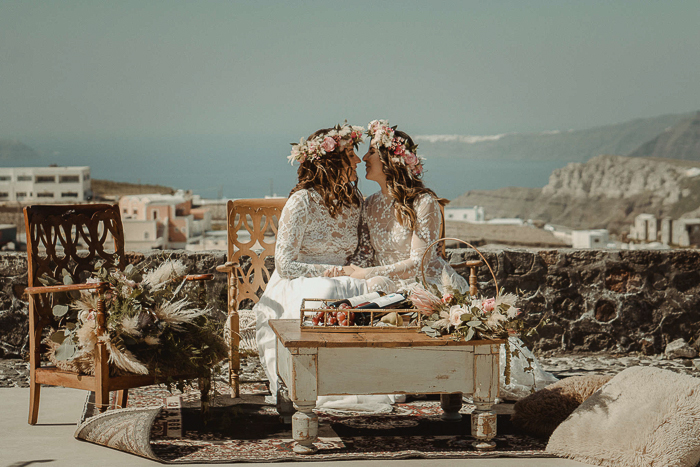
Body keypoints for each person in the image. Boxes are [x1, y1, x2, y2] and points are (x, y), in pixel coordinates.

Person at [342, 119, 556, 399]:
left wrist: (369, 274)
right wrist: (354, 271)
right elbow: (366, 254)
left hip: (425, 283)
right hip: (384, 283)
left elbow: (419, 261)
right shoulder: (370, 204)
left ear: (391, 160)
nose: (365, 158)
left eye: (372, 152)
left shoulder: (423, 203)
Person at [254, 123, 395, 411]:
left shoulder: (355, 201)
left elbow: (362, 254)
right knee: (328, 288)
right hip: (300, 280)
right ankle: (317, 383)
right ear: (332, 162)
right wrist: (329, 272)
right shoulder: (301, 201)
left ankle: (372, 378)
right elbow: (284, 264)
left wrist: (359, 273)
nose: (357, 161)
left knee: (376, 289)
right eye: (350, 156)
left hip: (346, 277)